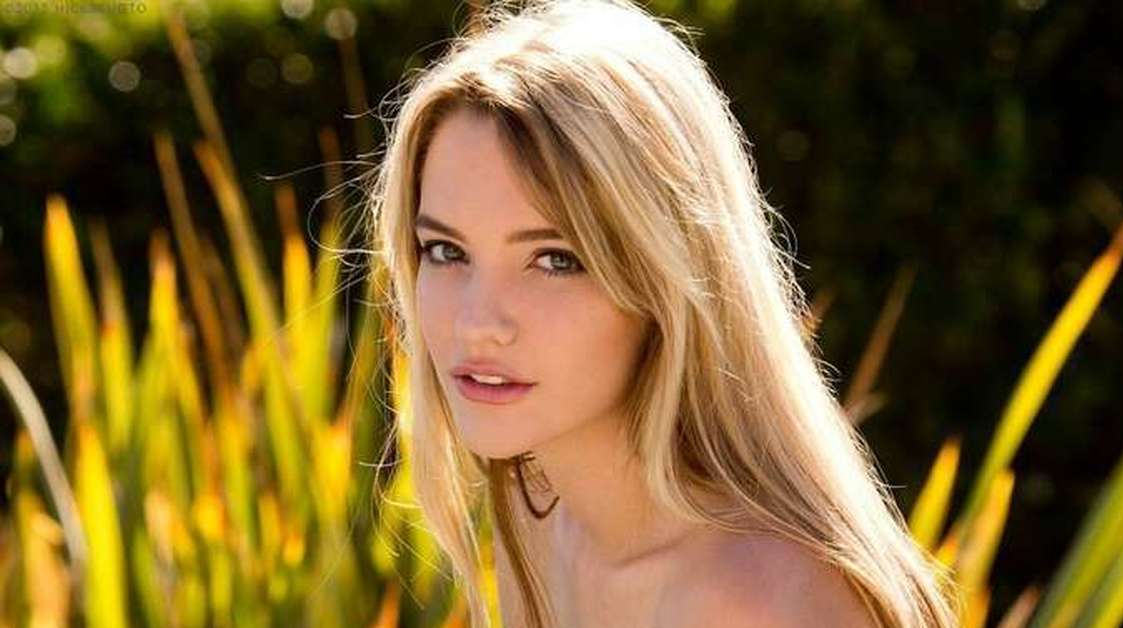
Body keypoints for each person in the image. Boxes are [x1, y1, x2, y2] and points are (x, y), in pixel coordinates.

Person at [369, 0, 961, 626]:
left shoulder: (758, 604)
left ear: (666, 275)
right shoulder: (541, 512)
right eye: (446, 251)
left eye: (555, 260)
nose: (476, 323)